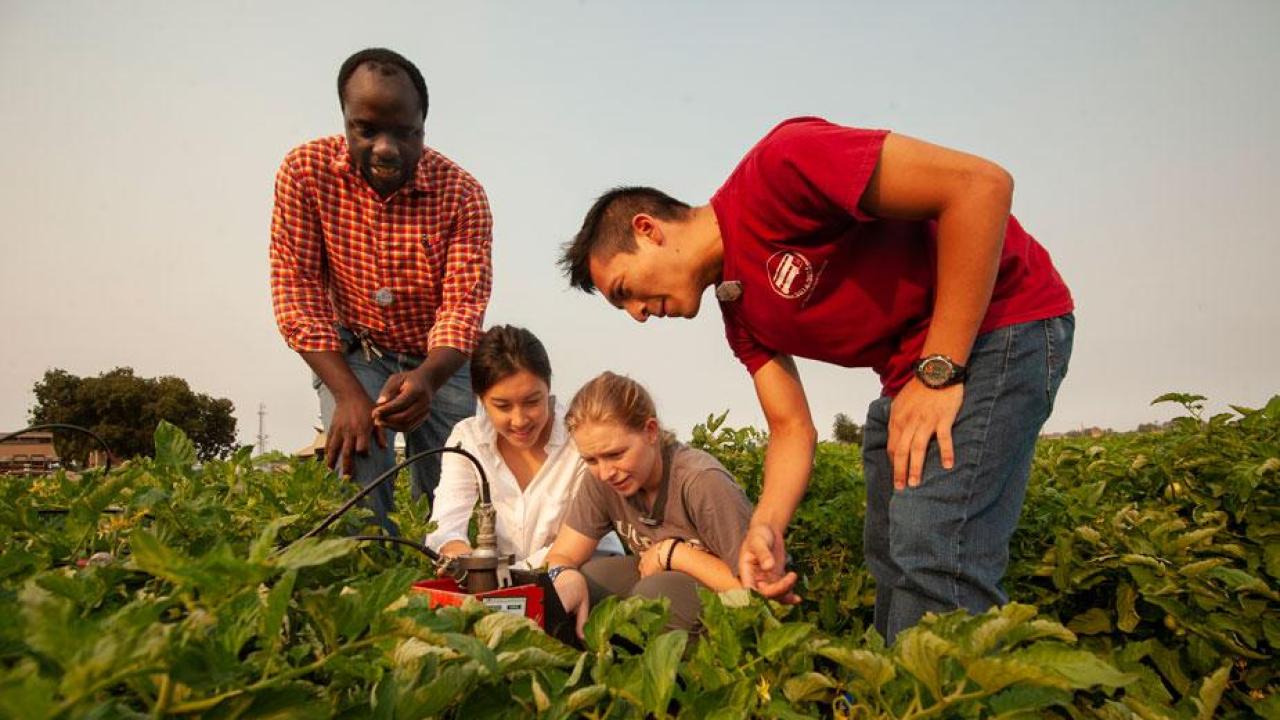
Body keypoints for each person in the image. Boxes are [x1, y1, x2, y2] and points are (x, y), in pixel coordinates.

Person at [558, 117, 1075, 642]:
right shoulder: (742, 313)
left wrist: (938, 371)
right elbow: (791, 429)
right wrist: (766, 526)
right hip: (911, 372)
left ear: (648, 229)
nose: (637, 314)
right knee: (892, 552)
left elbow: (980, 186)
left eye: (624, 289)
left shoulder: (781, 168)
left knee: (935, 546)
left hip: (1000, 325)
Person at [269, 48, 493, 530]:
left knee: (450, 483)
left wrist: (428, 380)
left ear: (422, 128)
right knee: (357, 460)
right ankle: (374, 577)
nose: (386, 148)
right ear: (346, 122)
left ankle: (444, 585)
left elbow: (462, 305)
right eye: (366, 130)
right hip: (355, 352)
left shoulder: (462, 194)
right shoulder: (305, 174)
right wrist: (349, 395)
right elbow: (298, 293)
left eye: (404, 133)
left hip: (441, 360)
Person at [544, 372, 754, 636]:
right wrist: (563, 575)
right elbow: (561, 555)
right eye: (591, 460)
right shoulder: (602, 480)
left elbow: (756, 590)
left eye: (615, 454)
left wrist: (674, 554)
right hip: (670, 586)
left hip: (729, 605)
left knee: (653, 597)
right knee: (591, 580)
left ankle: (692, 673)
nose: (605, 472)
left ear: (650, 431)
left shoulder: (701, 481)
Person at [425, 325, 623, 568]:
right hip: (507, 582)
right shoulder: (468, 439)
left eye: (532, 402)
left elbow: (577, 543)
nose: (519, 420)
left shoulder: (580, 439)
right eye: (502, 406)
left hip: (586, 569)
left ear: (548, 388)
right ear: (480, 399)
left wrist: (502, 580)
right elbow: (445, 527)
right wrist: (462, 558)